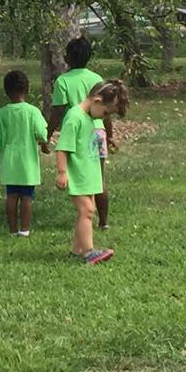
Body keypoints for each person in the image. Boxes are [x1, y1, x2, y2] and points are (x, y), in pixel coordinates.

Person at [46, 36, 117, 228]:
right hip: (98, 133)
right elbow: (106, 113)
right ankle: (103, 222)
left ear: (67, 58)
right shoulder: (96, 79)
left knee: (81, 177)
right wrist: (109, 135)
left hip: (77, 134)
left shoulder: (63, 81)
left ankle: (86, 213)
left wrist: (48, 133)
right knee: (99, 178)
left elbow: (58, 111)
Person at [55, 80, 129, 264]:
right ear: (96, 101)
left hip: (88, 175)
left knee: (88, 211)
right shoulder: (74, 117)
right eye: (105, 113)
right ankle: (88, 252)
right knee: (87, 211)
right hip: (76, 175)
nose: (104, 118)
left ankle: (77, 249)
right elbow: (62, 148)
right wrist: (62, 172)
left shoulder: (89, 117)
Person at [0, 70, 50, 237]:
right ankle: (24, 230)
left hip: (9, 162)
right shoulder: (32, 112)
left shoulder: (2, 113)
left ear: (6, 91)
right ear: (28, 89)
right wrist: (44, 144)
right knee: (26, 197)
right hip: (28, 162)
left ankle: (12, 230)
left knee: (11, 196)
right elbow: (42, 133)